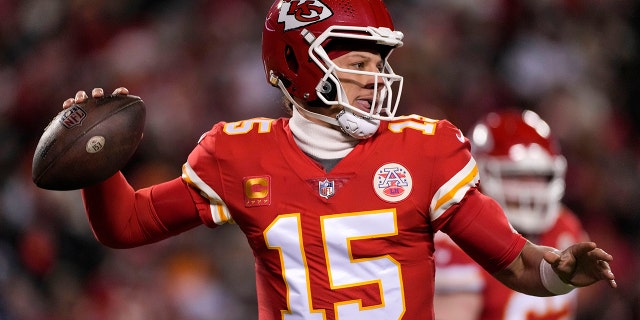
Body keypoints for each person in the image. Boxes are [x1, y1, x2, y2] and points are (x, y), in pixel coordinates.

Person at [60, 0, 616, 319]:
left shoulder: (425, 148)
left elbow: (516, 262)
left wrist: (557, 270)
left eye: (379, 65)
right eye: (357, 62)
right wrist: (97, 163)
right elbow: (127, 224)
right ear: (298, 62)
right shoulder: (238, 152)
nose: (375, 80)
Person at [433, 109, 591, 320]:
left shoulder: (565, 227)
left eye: (538, 176)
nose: (529, 189)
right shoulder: (458, 246)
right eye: (515, 176)